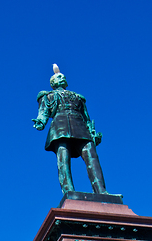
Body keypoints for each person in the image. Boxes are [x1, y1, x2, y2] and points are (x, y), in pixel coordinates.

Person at [32, 65, 107, 195]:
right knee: (63, 159)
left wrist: (92, 133)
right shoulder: (47, 96)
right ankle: (69, 191)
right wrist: (40, 122)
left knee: (92, 157)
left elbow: (86, 117)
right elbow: (43, 112)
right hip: (60, 127)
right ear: (53, 83)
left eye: (63, 76)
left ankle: (101, 191)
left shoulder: (78, 97)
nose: (62, 78)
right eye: (59, 77)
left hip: (80, 126)